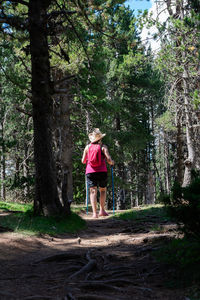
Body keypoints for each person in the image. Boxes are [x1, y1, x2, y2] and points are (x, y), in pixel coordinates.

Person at [81, 128, 114, 218]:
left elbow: (83, 161)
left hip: (90, 171)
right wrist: (112, 162)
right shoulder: (103, 147)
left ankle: (95, 213)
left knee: (92, 191)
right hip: (102, 171)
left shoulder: (87, 147)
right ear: (100, 138)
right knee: (102, 190)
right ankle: (102, 210)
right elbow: (109, 159)